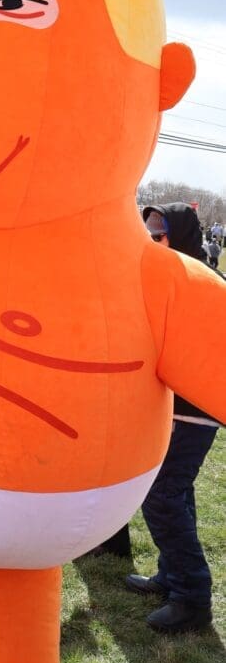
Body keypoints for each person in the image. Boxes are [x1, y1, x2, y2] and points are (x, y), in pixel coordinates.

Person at [124, 203, 222, 633]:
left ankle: (192, 596)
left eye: (159, 234)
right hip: (172, 407)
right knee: (177, 493)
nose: (152, 241)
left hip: (195, 411)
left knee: (162, 495)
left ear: (178, 235)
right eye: (147, 232)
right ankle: (170, 576)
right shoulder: (169, 276)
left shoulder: (200, 281)